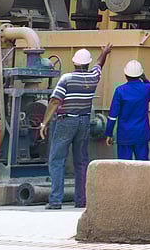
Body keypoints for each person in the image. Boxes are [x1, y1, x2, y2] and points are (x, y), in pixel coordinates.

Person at [39, 43, 112, 210]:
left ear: (74, 63)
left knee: (57, 160)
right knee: (81, 161)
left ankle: (56, 200)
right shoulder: (94, 77)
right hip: (84, 122)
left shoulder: (67, 78)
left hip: (66, 121)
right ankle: (81, 200)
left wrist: (45, 122)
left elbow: (55, 101)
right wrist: (104, 53)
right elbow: (99, 65)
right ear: (87, 64)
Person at [104, 59, 150, 161]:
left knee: (124, 167)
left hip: (125, 134)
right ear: (140, 74)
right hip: (141, 133)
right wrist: (145, 79)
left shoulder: (120, 91)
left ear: (125, 74)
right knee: (143, 165)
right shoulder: (146, 89)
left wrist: (109, 133)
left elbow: (112, 116)